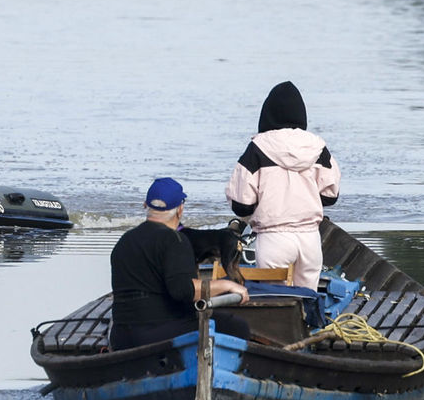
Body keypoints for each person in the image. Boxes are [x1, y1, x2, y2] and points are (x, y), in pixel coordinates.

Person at [109, 177, 250, 351]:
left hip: (120, 336)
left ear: (146, 205)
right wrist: (227, 285)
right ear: (180, 210)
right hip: (156, 332)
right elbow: (183, 291)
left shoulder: (124, 241)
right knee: (236, 326)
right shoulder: (175, 240)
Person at [225, 81, 341, 290]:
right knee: (307, 300)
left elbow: (241, 204)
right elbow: (330, 195)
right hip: (310, 239)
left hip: (273, 238)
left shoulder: (257, 148)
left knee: (275, 302)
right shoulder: (317, 147)